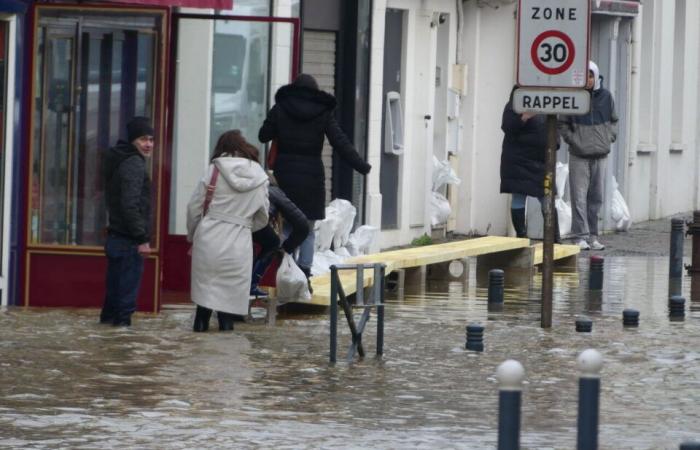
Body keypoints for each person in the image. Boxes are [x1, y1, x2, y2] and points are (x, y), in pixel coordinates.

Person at [258, 73, 371, 283]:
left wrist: (278, 124)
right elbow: (341, 143)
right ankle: (304, 274)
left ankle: (285, 274)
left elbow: (263, 135)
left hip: (285, 177)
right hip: (311, 179)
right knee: (308, 229)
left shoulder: (281, 108)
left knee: (288, 227)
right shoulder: (323, 113)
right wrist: (361, 166)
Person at [187, 130, 269, 332]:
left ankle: (198, 346)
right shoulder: (259, 176)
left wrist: (193, 234)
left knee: (204, 299)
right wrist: (245, 226)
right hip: (239, 243)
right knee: (229, 305)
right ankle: (228, 357)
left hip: (209, 238)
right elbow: (263, 216)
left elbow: (194, 208)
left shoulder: (213, 170)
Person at [100, 116, 154, 327]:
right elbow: (130, 204)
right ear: (133, 141)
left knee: (112, 304)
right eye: (143, 139)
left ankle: (107, 345)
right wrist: (142, 239)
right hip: (128, 241)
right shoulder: (134, 163)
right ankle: (121, 351)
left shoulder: (119, 158)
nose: (148, 144)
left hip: (116, 238)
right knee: (124, 307)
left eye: (151, 139)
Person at [559, 61, 618, 250]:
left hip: (600, 155)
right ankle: (580, 236)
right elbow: (563, 123)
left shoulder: (606, 97)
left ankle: (593, 236)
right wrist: (574, 140)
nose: (588, 80)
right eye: (585, 76)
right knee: (579, 197)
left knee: (596, 198)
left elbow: (614, 120)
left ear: (596, 76)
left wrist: (609, 137)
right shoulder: (573, 97)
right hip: (579, 155)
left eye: (591, 76)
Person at [500, 86, 560, 241]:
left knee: (547, 197)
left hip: (541, 162)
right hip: (519, 160)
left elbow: (553, 127)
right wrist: (524, 117)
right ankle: (521, 236)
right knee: (519, 197)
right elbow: (507, 127)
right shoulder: (514, 104)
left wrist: (555, 143)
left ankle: (554, 238)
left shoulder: (547, 104)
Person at [250, 174, 310, 297]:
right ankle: (253, 283)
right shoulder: (275, 192)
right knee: (273, 243)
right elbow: (302, 224)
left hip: (233, 226)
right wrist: (286, 248)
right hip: (257, 224)